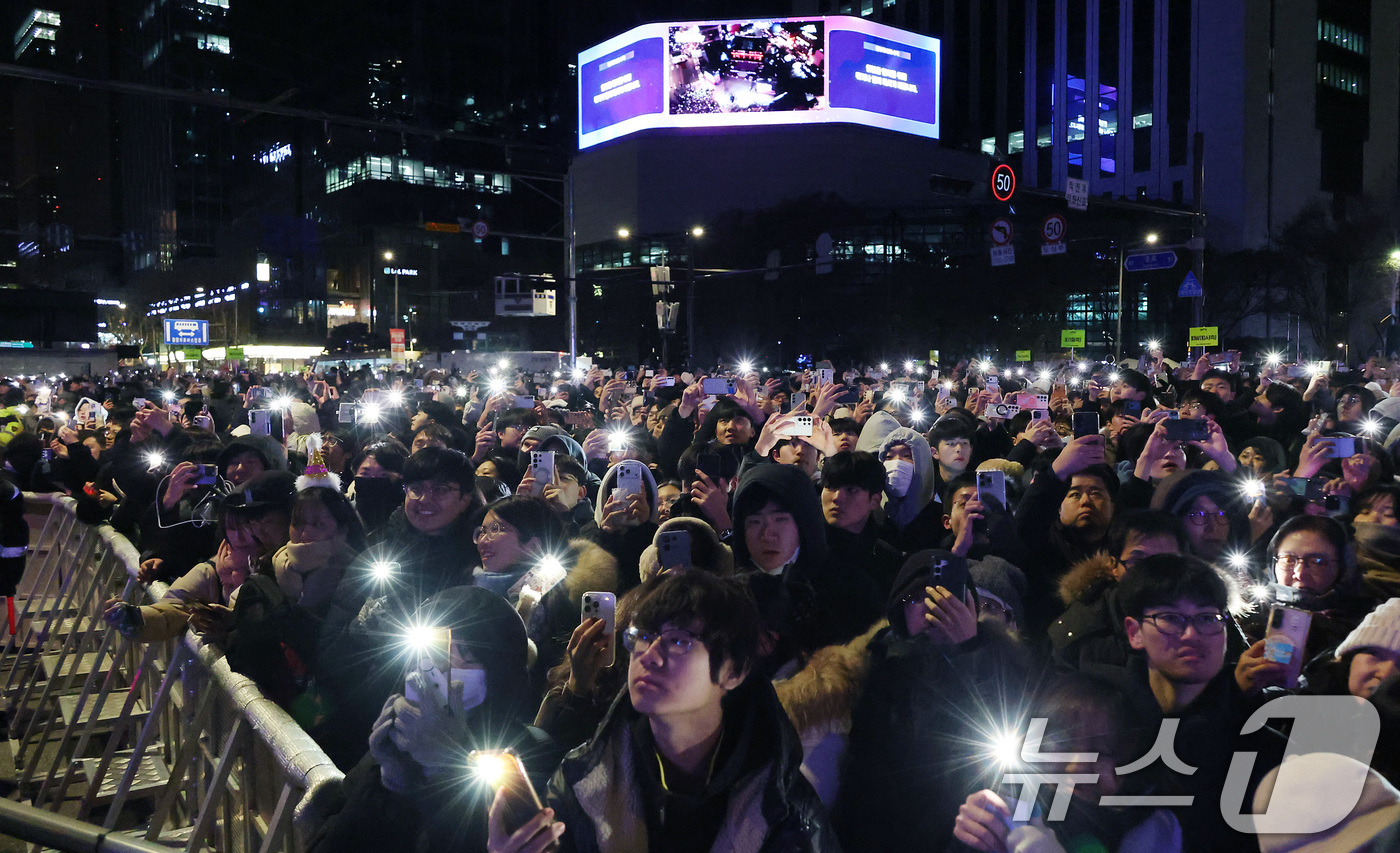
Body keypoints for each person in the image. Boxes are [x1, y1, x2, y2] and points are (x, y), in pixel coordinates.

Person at [489, 571, 837, 853]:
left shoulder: (786, 811)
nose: (649, 654)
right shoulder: (582, 778)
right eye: (642, 635)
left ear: (734, 671)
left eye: (679, 641)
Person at [308, 587, 559, 853]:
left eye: (463, 656)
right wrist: (386, 784)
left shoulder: (526, 758)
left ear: (499, 671)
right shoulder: (402, 733)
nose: (439, 667)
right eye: (434, 650)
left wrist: (446, 768)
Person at [834, 549, 1032, 852]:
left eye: (948, 596)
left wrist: (967, 652)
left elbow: (995, 742)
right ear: (898, 610)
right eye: (917, 598)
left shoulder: (1001, 665)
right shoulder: (871, 667)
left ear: (970, 606)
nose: (933, 607)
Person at [1105, 554, 1285, 853]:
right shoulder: (1104, 732)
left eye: (1206, 618)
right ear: (1134, 632)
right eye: (1170, 618)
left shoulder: (1268, 750)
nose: (1191, 635)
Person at [953, 673, 1183, 853]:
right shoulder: (1017, 804)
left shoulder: (1152, 830)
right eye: (1061, 743)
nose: (1076, 766)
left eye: (1100, 752)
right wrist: (978, 834)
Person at [819, 451, 903, 597]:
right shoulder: (804, 549)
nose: (837, 497)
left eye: (851, 490)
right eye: (831, 487)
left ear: (875, 501)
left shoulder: (887, 559)